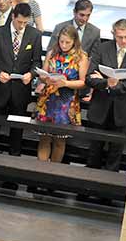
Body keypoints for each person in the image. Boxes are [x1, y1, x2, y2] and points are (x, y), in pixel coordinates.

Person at [84, 17, 126, 171]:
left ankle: (108, 189)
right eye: (120, 37)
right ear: (113, 34)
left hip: (123, 108)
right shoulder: (102, 48)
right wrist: (107, 82)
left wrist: (113, 84)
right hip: (101, 106)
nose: (124, 41)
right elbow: (89, 78)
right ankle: (87, 187)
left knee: (116, 152)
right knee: (94, 149)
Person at [0, 2, 43, 155]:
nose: (22, 25)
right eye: (19, 21)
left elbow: (37, 62)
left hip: (20, 90)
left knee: (17, 133)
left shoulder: (34, 35)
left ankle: (13, 164)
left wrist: (31, 74)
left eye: (25, 22)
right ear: (13, 17)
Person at [33, 24, 88, 163]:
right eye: (61, 41)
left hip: (66, 101)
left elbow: (83, 82)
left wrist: (66, 83)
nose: (63, 45)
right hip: (47, 99)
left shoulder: (81, 57)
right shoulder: (52, 53)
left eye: (67, 42)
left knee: (60, 140)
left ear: (74, 41)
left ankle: (53, 174)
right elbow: (43, 74)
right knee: (44, 138)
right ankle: (39, 172)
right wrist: (45, 78)